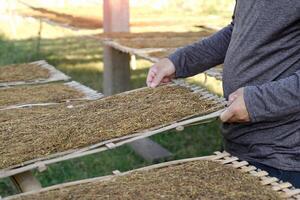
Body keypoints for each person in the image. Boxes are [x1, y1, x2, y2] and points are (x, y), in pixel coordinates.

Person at [146, 1, 300, 188]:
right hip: (237, 144)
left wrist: (256, 102)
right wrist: (178, 62)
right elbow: (237, 31)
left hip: (280, 157)